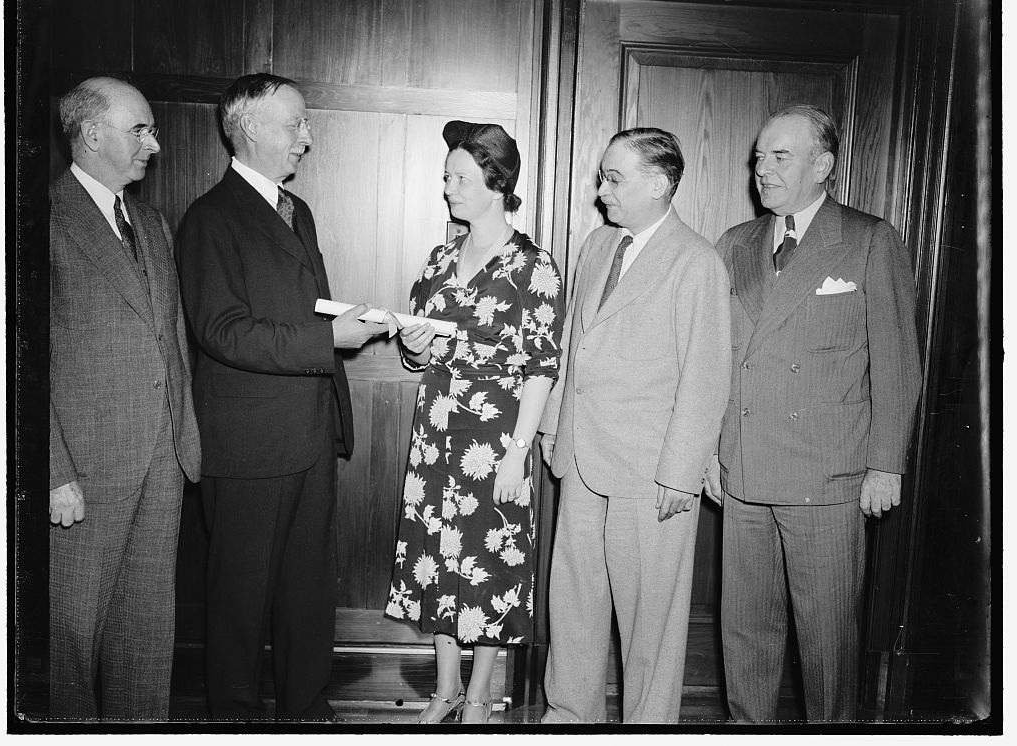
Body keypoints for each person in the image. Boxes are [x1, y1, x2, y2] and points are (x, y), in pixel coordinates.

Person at [174, 73, 385, 721]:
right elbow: (223, 332)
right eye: (296, 124)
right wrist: (331, 339)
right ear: (252, 127)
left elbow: (295, 307)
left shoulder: (297, 210)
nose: (307, 137)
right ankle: (233, 719)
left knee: (306, 590)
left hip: (310, 434)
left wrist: (351, 318)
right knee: (238, 600)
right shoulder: (211, 219)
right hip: (249, 446)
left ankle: (306, 708)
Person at [710, 104, 922, 721]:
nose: (763, 170)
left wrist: (887, 466)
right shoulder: (736, 243)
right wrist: (709, 454)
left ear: (823, 166)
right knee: (746, 641)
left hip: (827, 479)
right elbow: (715, 360)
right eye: (758, 157)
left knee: (829, 649)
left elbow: (897, 363)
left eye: (780, 157)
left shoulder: (867, 239)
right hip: (744, 473)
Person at [538, 128, 731, 724]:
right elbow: (572, 343)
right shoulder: (598, 245)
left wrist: (681, 472)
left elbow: (706, 372)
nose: (601, 192)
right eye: (602, 177)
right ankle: (570, 716)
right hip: (580, 458)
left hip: (651, 476)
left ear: (659, 184)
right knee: (573, 604)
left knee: (652, 623)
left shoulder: (697, 261)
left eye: (613, 179)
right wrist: (552, 429)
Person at [385, 122, 564, 723]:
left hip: (496, 439)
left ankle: (481, 696)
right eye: (446, 177)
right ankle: (444, 689)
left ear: (497, 182)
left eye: (461, 178)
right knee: (435, 558)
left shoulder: (533, 266)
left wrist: (518, 454)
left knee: (489, 565)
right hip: (434, 433)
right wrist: (414, 346)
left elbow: (542, 367)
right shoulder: (439, 259)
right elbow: (420, 353)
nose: (448, 188)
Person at [49, 77, 201, 719]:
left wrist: (183, 443)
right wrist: (53, 471)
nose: (155, 144)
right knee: (72, 647)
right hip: (82, 474)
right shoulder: (41, 219)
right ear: (91, 135)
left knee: (145, 645)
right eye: (140, 129)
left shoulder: (152, 222)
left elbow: (171, 340)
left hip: (159, 467)